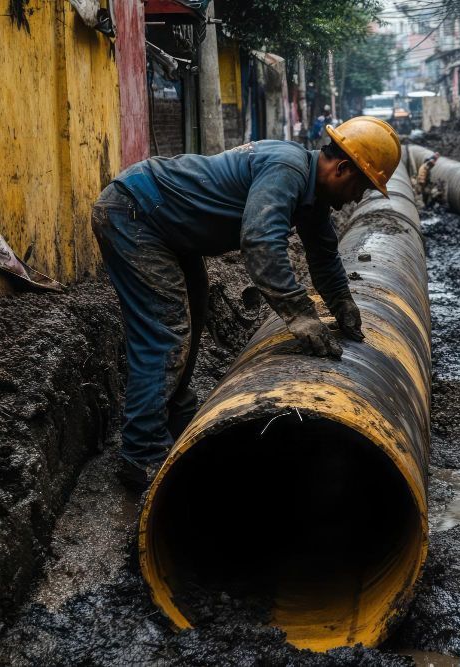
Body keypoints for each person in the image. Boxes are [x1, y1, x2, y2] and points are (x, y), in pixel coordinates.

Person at [91, 117, 401, 488]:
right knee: (165, 329)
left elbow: (323, 255)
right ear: (342, 168)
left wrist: (343, 305)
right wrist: (299, 315)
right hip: (135, 213)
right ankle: (141, 454)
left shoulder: (312, 195)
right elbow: (260, 242)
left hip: (165, 225)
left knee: (192, 310)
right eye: (361, 187)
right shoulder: (287, 169)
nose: (356, 198)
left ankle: (173, 414)